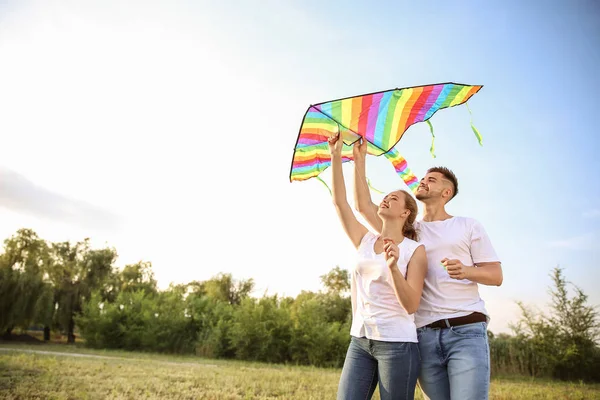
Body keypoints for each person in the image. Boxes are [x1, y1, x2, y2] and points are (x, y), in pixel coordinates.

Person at [352, 138, 503, 400]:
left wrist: (467, 271)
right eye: (423, 177)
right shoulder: (408, 232)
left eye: (431, 179)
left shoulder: (467, 225)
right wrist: (360, 158)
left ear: (447, 192)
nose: (423, 181)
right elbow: (364, 206)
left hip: (465, 331)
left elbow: (496, 275)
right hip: (422, 335)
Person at [328, 133, 428, 400]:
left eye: (393, 198)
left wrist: (394, 267)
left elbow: (411, 306)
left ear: (406, 213)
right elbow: (342, 203)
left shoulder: (414, 251)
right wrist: (338, 156)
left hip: (397, 344)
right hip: (360, 339)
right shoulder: (365, 239)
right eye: (385, 196)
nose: (385, 199)